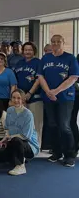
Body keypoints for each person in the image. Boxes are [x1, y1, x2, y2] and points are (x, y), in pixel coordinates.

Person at [37, 34, 79, 167]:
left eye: (58, 42)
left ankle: (70, 155)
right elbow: (40, 77)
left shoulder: (70, 58)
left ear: (63, 42)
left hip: (66, 97)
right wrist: (48, 91)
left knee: (64, 125)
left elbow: (73, 78)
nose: (55, 44)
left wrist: (56, 91)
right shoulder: (45, 58)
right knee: (52, 124)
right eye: (53, 42)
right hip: (49, 97)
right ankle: (57, 152)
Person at [0, 89, 40, 175]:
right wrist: (4, 140)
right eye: (13, 98)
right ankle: (20, 158)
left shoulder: (28, 114)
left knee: (17, 140)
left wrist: (9, 138)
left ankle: (21, 166)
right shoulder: (9, 111)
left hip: (29, 145)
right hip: (14, 140)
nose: (16, 100)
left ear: (23, 100)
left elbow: (25, 136)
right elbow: (7, 129)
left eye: (19, 98)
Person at [13, 42, 43, 145]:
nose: (27, 52)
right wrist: (19, 96)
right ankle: (24, 146)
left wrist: (29, 93)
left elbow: (39, 80)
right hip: (21, 99)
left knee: (36, 123)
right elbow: (15, 81)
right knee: (22, 123)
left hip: (35, 97)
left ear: (34, 51)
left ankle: (35, 146)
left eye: (30, 50)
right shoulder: (19, 63)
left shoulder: (38, 62)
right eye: (26, 50)